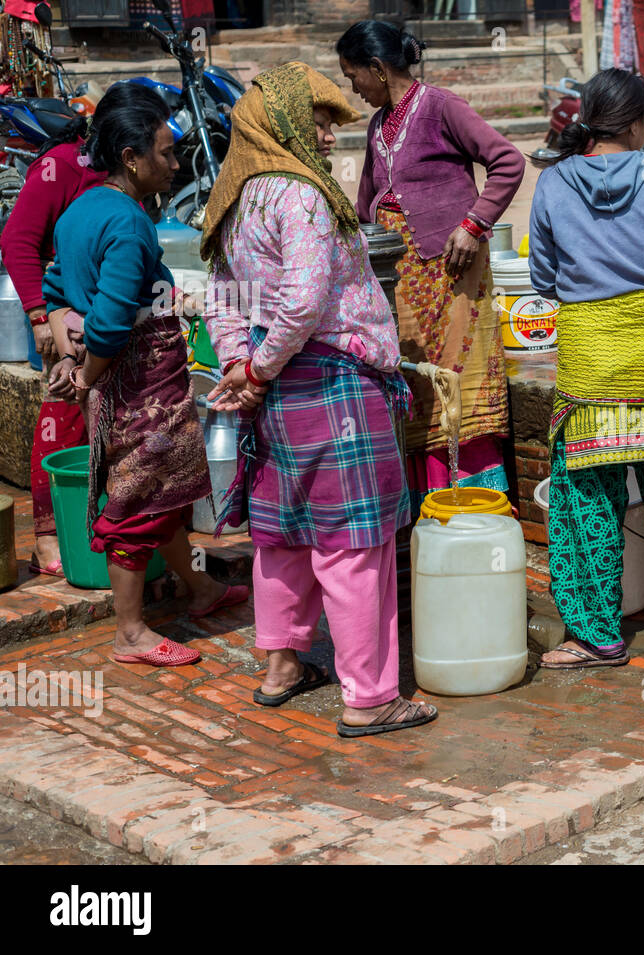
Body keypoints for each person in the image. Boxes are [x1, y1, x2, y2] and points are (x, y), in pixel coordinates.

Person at [202, 61, 436, 738]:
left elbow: (221, 300)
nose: (331, 135)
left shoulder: (233, 196)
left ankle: (281, 666)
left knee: (282, 535)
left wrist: (244, 367)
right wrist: (264, 367)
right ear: (283, 125)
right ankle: (370, 697)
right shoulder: (300, 194)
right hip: (332, 381)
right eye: (320, 122)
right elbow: (305, 299)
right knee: (354, 544)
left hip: (277, 392)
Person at [40, 82, 244, 667]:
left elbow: (56, 291)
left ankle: (201, 586)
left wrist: (72, 359)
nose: (175, 164)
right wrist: (86, 368)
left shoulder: (80, 210)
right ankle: (130, 632)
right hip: (140, 393)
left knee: (167, 499)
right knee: (138, 506)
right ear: (130, 159)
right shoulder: (129, 226)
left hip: (119, 387)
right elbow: (108, 323)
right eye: (165, 152)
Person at [528, 68, 644, 667]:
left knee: (590, 499)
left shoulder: (553, 185)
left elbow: (543, 281)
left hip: (593, 362)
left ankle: (598, 634)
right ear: (636, 124)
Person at [339, 19, 525, 503]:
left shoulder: (442, 107)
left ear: (377, 69)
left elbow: (507, 161)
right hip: (403, 281)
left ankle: (473, 509)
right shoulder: (379, 125)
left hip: (452, 274)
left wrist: (473, 224)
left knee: (460, 383)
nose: (351, 88)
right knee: (417, 387)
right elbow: (366, 204)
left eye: (352, 75)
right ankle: (430, 512)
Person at [0, 119, 103, 576]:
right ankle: (45, 539)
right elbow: (16, 242)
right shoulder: (58, 167)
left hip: (100, 312)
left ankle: (90, 525)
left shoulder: (115, 168)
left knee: (96, 421)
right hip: (60, 312)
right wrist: (40, 316)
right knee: (60, 416)